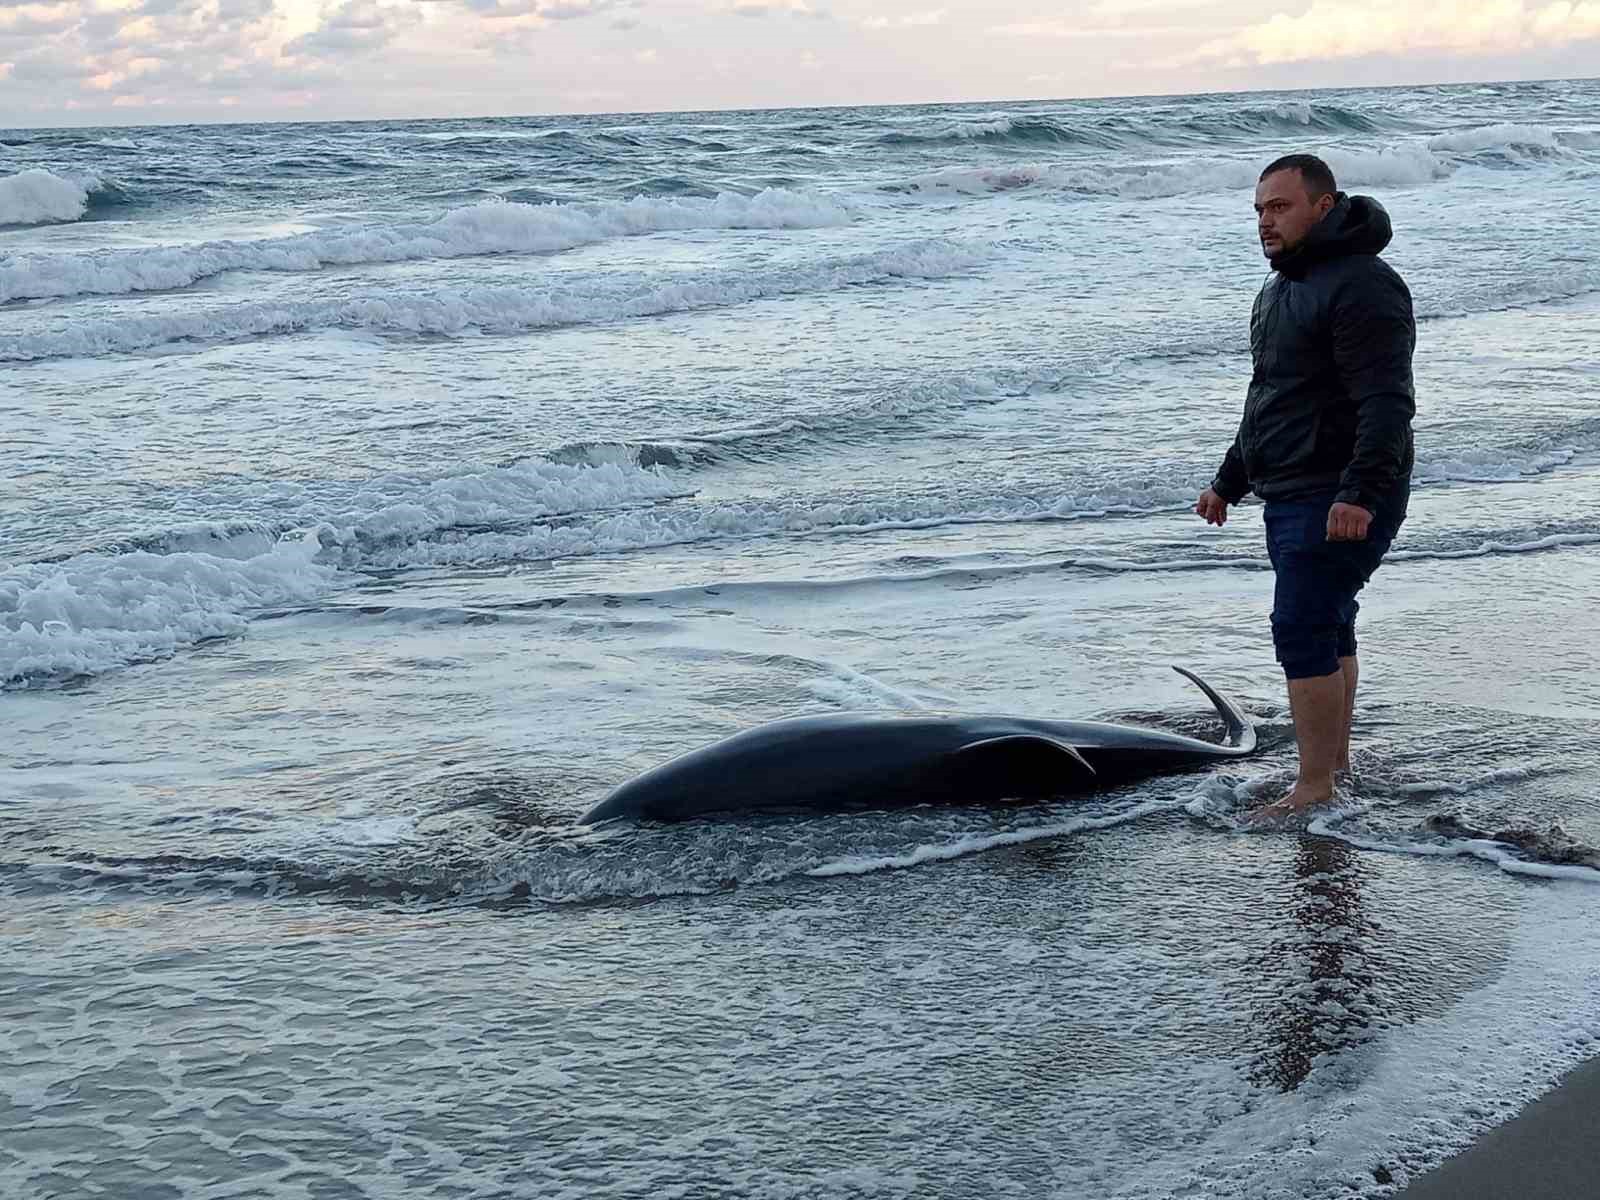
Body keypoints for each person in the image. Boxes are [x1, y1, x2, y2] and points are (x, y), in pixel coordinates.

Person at [1195, 154, 1415, 821]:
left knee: (1300, 626)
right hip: (1292, 490)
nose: (1265, 221)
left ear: (1324, 205)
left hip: (1339, 491)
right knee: (1328, 622)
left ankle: (1314, 786)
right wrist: (1228, 481)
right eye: (1260, 209)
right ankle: (1334, 769)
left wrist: (1359, 493)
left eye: (1280, 206)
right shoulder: (1281, 288)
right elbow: (1272, 398)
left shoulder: (1364, 285)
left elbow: (1386, 402)